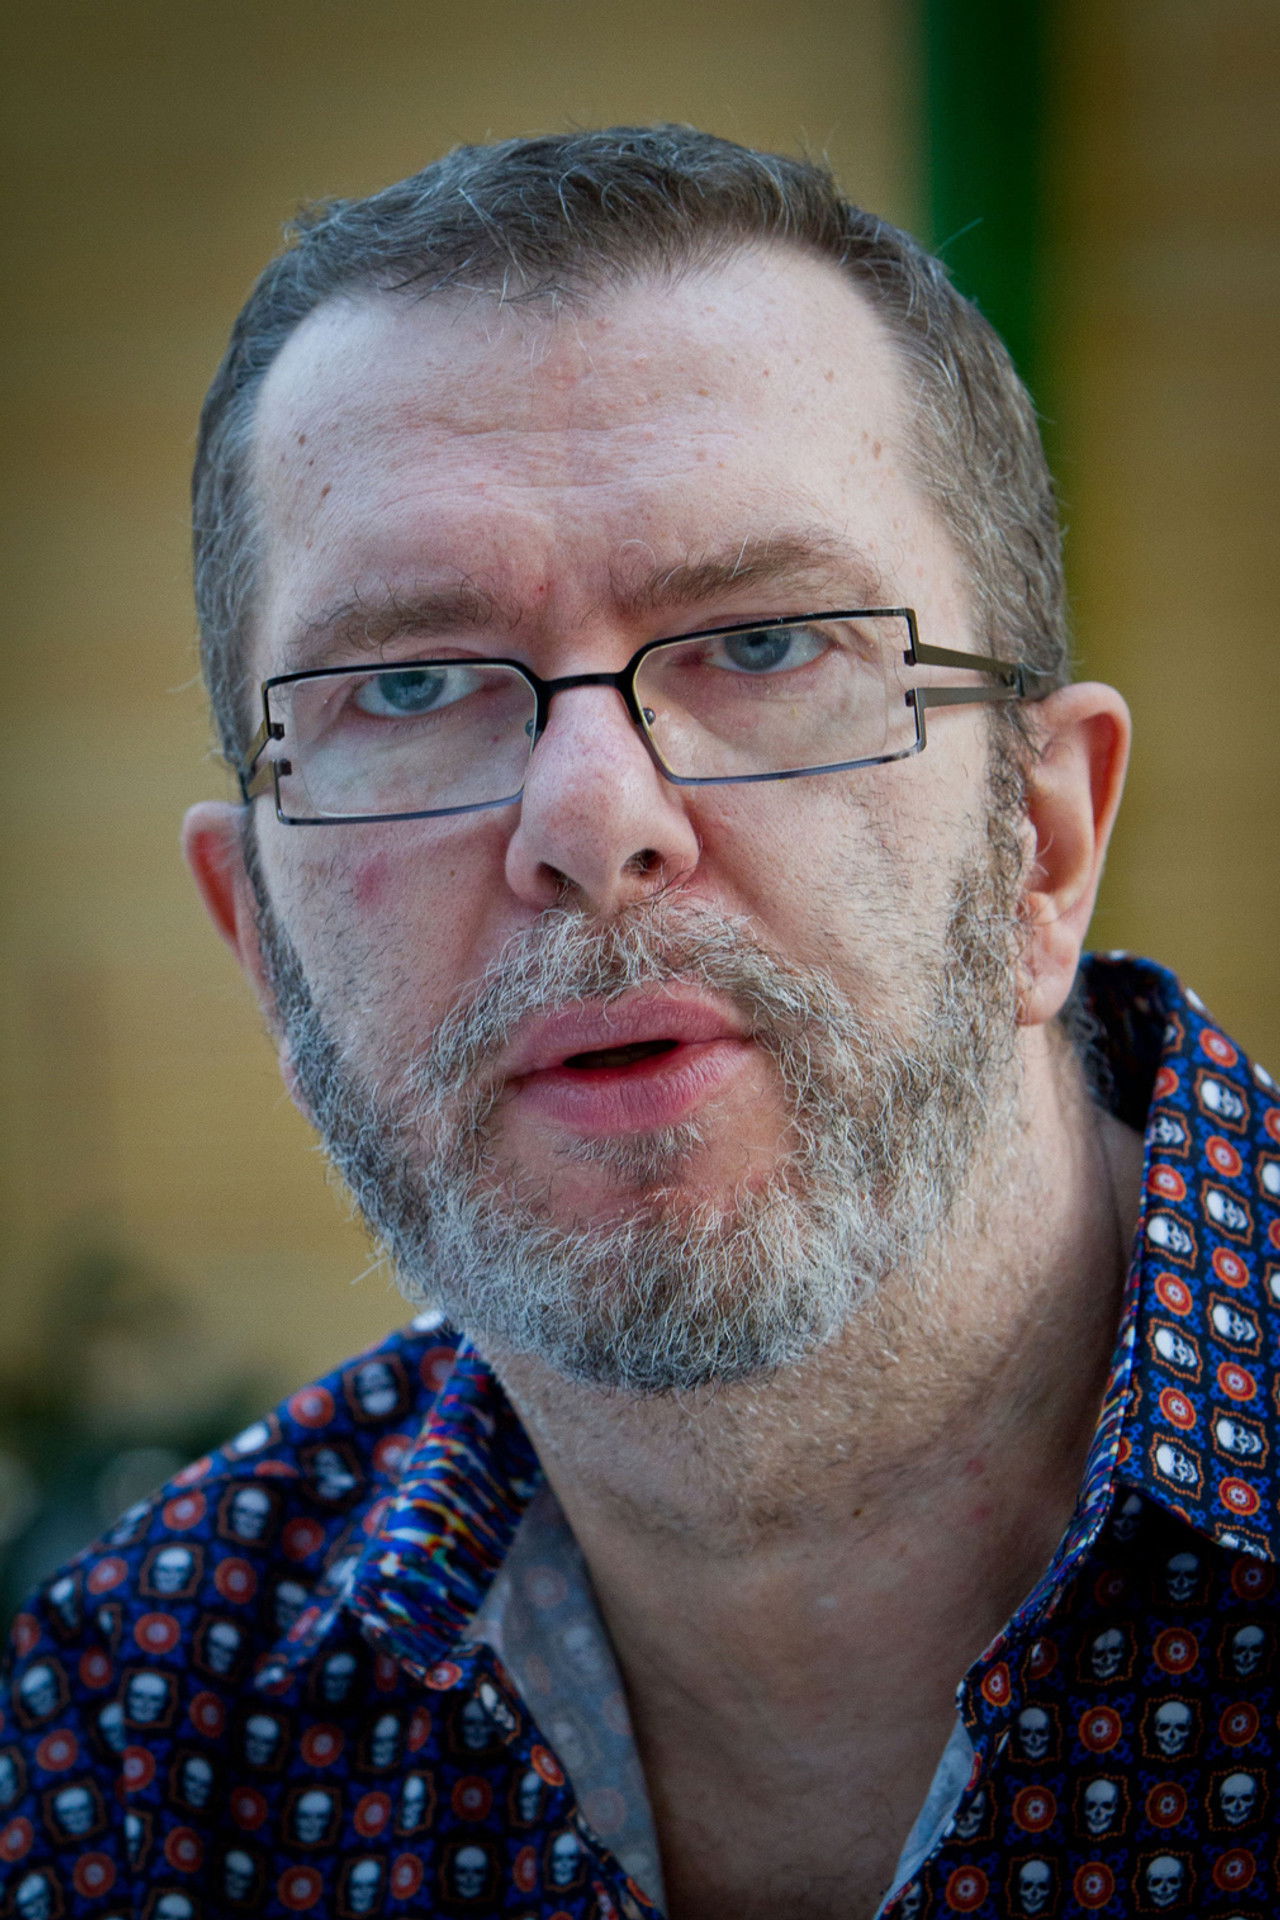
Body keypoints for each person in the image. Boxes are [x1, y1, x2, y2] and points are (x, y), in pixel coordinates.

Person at [2, 127, 1276, 1920]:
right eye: (410, 684)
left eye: (761, 644)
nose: (594, 821)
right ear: (263, 945)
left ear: (1045, 845)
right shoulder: (133, 1747)